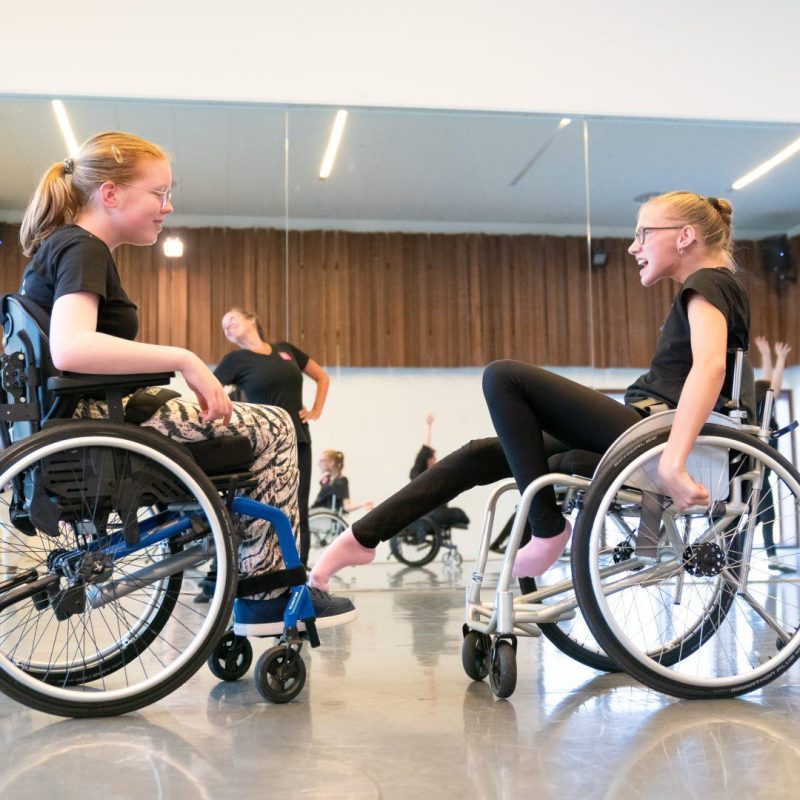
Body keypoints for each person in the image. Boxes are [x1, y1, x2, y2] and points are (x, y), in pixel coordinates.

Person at [309, 191, 752, 591]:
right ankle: (361, 538)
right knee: (481, 454)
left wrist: (673, 461)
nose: (633, 247)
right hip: (645, 428)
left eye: (643, 234)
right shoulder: (711, 286)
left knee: (504, 377)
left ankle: (547, 529)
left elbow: (710, 367)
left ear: (685, 236)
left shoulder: (707, 283)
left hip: (654, 434)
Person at [17, 131, 355, 635]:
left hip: (74, 415)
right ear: (110, 194)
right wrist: (184, 358)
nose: (168, 206)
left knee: (253, 430)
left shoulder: (64, 246)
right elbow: (71, 348)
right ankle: (266, 594)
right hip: (94, 418)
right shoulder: (83, 247)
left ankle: (243, 561)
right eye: (159, 193)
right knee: (277, 426)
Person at [214, 307, 330, 568]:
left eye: (231, 319)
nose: (227, 326)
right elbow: (208, 391)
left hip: (299, 439)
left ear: (251, 319)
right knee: (267, 508)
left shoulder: (285, 350)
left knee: (299, 506)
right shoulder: (235, 360)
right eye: (223, 327)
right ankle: (265, 567)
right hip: (264, 446)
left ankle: (298, 569)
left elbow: (322, 377)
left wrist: (315, 410)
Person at [753, 336, 794, 573]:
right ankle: (769, 558)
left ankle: (771, 558)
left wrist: (767, 355)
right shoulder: (763, 416)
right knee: (764, 517)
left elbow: (769, 385)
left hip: (760, 476)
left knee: (763, 517)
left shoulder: (760, 415)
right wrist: (779, 358)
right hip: (758, 477)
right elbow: (773, 387)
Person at [408, 414, 470, 530]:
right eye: (434, 458)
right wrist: (428, 426)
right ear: (427, 460)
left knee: (459, 514)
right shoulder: (419, 473)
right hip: (431, 513)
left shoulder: (431, 475)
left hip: (435, 511)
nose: (436, 460)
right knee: (458, 513)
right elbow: (425, 448)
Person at [311, 449, 373, 514]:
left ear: (332, 462)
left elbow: (346, 506)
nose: (319, 464)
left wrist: (362, 504)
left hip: (324, 516)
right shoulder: (327, 478)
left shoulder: (341, 481)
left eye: (322, 461)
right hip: (316, 512)